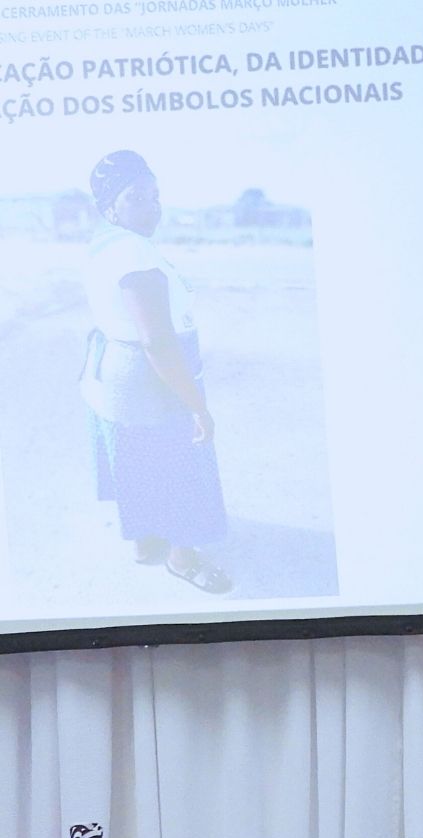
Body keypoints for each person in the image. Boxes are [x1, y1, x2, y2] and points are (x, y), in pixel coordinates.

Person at [78, 151, 232, 594]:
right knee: (182, 462)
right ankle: (183, 558)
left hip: (117, 372)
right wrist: (197, 406)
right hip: (151, 375)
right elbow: (158, 341)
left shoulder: (104, 242)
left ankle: (145, 542)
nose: (153, 206)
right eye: (137, 197)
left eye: (155, 195)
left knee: (138, 459)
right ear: (110, 206)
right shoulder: (135, 253)